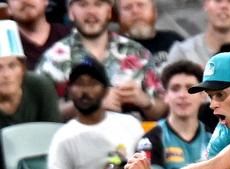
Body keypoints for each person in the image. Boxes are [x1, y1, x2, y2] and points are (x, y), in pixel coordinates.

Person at [36, 0, 166, 121]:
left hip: (132, 139)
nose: (91, 11)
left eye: (98, 4)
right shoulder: (54, 58)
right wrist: (90, 103)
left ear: (109, 12)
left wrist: (146, 102)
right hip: (78, 142)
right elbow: (41, 115)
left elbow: (163, 110)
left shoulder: (138, 53)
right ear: (71, 12)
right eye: (83, 4)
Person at [136, 60, 230, 169]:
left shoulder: (218, 138)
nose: (182, 95)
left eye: (190, 89)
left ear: (203, 96)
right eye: (175, 88)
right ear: (165, 96)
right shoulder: (150, 140)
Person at [48, 57, 144, 169]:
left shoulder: (130, 124)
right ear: (70, 90)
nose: (85, 91)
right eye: (79, 83)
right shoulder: (63, 138)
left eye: (92, 83)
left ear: (105, 90)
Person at [0, 20, 60, 128]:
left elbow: (53, 134)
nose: (6, 74)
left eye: (12, 66)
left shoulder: (41, 87)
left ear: (23, 69)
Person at [116, 0, 184, 73]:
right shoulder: (114, 49)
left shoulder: (173, 41)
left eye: (140, 5)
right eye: (127, 7)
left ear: (154, 11)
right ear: (119, 17)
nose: (135, 11)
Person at [6, 0, 70, 70]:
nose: (24, 1)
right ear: (8, 8)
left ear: (46, 1)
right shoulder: (5, 47)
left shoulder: (72, 36)